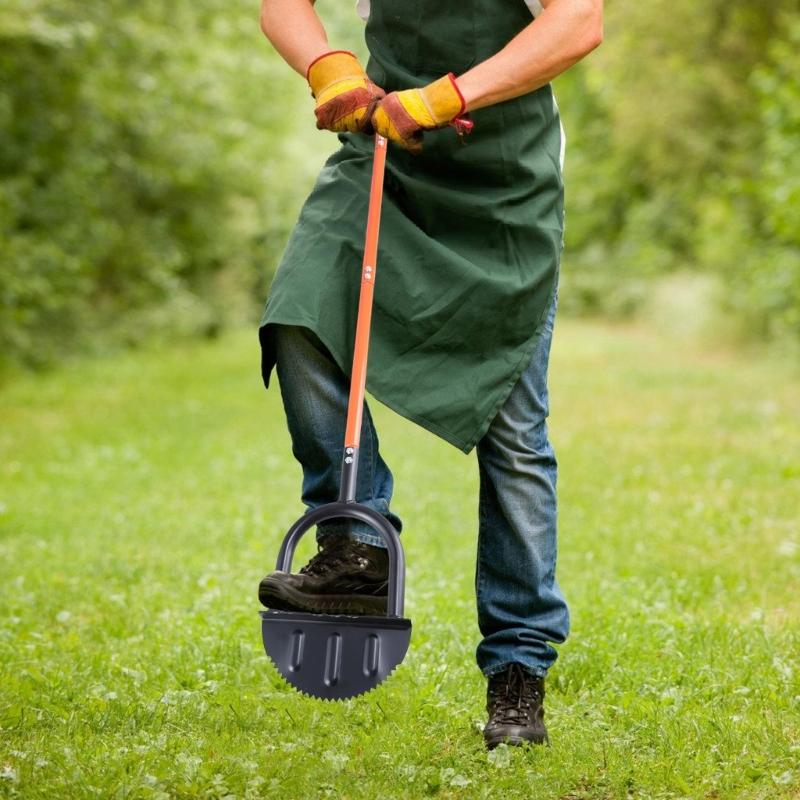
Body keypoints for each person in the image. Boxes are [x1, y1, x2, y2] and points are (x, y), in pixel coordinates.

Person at [257, 0, 603, 749]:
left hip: (503, 184)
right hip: (385, 154)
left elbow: (579, 21)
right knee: (297, 320)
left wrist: (450, 95)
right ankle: (357, 549)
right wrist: (327, 65)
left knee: (512, 436)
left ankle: (518, 667)